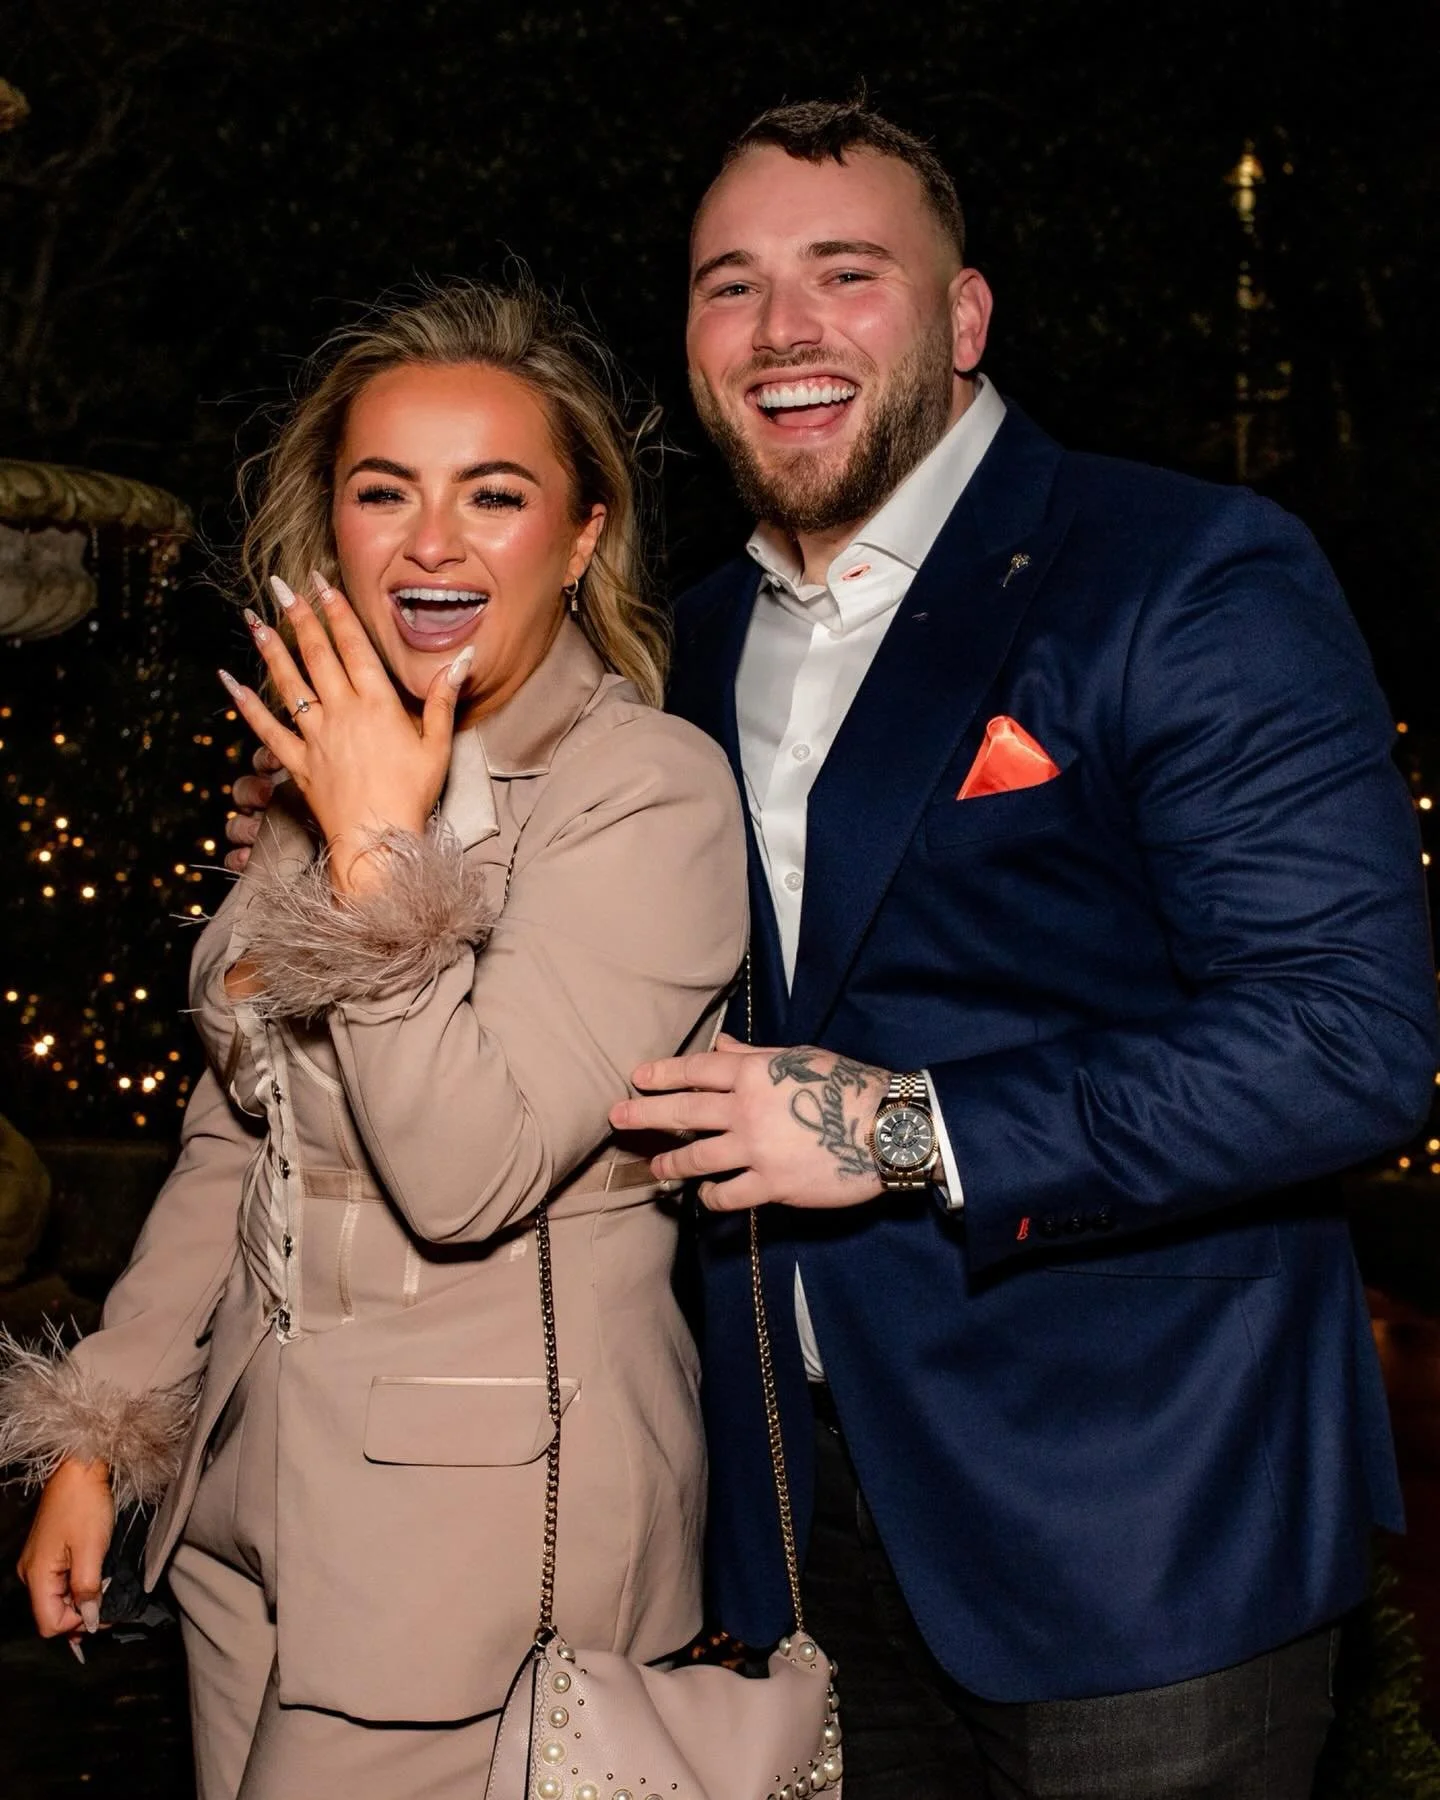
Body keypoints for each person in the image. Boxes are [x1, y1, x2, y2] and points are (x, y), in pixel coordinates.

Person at [224, 105, 1438, 1797]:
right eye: (734, 288)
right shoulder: (688, 641)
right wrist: (349, 845)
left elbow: (1344, 1041)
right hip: (792, 1527)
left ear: (961, 318)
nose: (784, 331)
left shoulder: (1183, 572)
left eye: (844, 274)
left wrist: (901, 1125)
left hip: (1139, 1518)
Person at [0, 279, 747, 1800]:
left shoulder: (647, 793)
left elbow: (468, 1171)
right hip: (252, 1515)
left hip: (481, 1552)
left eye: (494, 494)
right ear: (329, 525)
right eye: (382, 491)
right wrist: (101, 1431)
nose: (430, 542)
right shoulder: (330, 768)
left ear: (584, 532)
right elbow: (236, 1134)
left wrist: (376, 858)